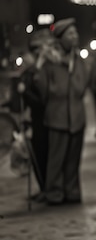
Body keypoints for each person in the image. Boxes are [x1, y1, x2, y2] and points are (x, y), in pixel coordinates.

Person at [34, 18, 89, 205]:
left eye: (75, 32)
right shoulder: (49, 61)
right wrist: (56, 91)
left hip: (77, 115)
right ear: (60, 38)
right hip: (57, 115)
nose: (75, 36)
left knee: (74, 158)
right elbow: (42, 88)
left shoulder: (78, 59)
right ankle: (54, 192)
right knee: (56, 159)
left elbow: (84, 83)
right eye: (70, 34)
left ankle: (72, 191)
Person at [17, 29, 55, 200]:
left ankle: (48, 188)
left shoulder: (44, 70)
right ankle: (43, 188)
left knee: (45, 154)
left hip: (45, 118)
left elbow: (42, 98)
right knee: (37, 155)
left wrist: (25, 92)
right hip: (35, 119)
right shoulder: (30, 72)